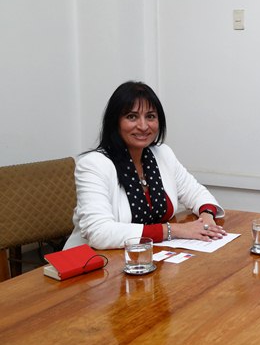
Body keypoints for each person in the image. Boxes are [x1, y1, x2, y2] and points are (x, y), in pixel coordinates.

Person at [65, 81, 227, 250]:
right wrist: (174, 230)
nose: (143, 126)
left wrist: (206, 217)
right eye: (132, 117)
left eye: (150, 116)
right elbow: (99, 233)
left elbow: (196, 192)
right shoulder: (93, 165)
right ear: (115, 122)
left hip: (148, 255)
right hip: (96, 260)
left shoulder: (162, 153)